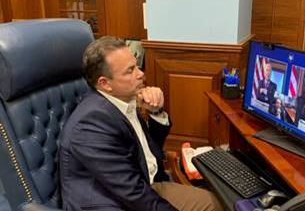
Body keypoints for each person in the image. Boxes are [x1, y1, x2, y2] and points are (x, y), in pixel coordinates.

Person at [59, 36, 223, 211]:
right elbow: (132, 193)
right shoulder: (91, 124)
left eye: (136, 65)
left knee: (215, 203)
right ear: (104, 83)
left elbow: (148, 148)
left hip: (144, 184)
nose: (141, 74)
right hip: (111, 203)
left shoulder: (121, 99)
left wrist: (156, 112)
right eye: (130, 71)